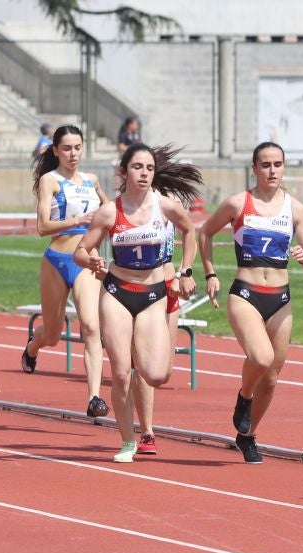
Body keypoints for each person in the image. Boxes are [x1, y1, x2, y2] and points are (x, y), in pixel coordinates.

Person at [74, 143, 201, 463]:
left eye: (149, 169)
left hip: (153, 296)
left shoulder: (166, 206)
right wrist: (93, 263)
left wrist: (185, 271)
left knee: (156, 374)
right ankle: (128, 440)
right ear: (124, 172)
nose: (143, 174)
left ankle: (140, 411)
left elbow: (190, 231)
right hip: (117, 292)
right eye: (137, 168)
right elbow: (80, 250)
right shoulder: (110, 212)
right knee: (119, 372)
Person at [198, 141, 303, 464]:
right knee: (261, 358)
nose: (272, 170)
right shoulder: (238, 204)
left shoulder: (295, 209)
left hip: (280, 298)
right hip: (246, 294)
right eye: (265, 164)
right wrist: (210, 273)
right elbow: (205, 233)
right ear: (254, 168)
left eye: (277, 164)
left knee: (273, 376)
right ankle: (244, 397)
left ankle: (247, 436)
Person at [22, 125, 111, 418]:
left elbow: (112, 211)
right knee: (53, 334)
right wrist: (78, 219)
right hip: (57, 260)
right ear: (56, 151)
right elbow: (42, 227)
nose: (73, 154)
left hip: (85, 260)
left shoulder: (92, 180)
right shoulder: (50, 181)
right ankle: (33, 347)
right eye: (67, 148)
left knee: (91, 325)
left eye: (78, 148)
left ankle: (94, 397)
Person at [126, 219, 181, 456]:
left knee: (163, 372)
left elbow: (191, 234)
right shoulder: (134, 202)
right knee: (141, 365)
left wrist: (184, 273)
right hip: (140, 286)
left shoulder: (173, 202)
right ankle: (145, 431)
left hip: (169, 284)